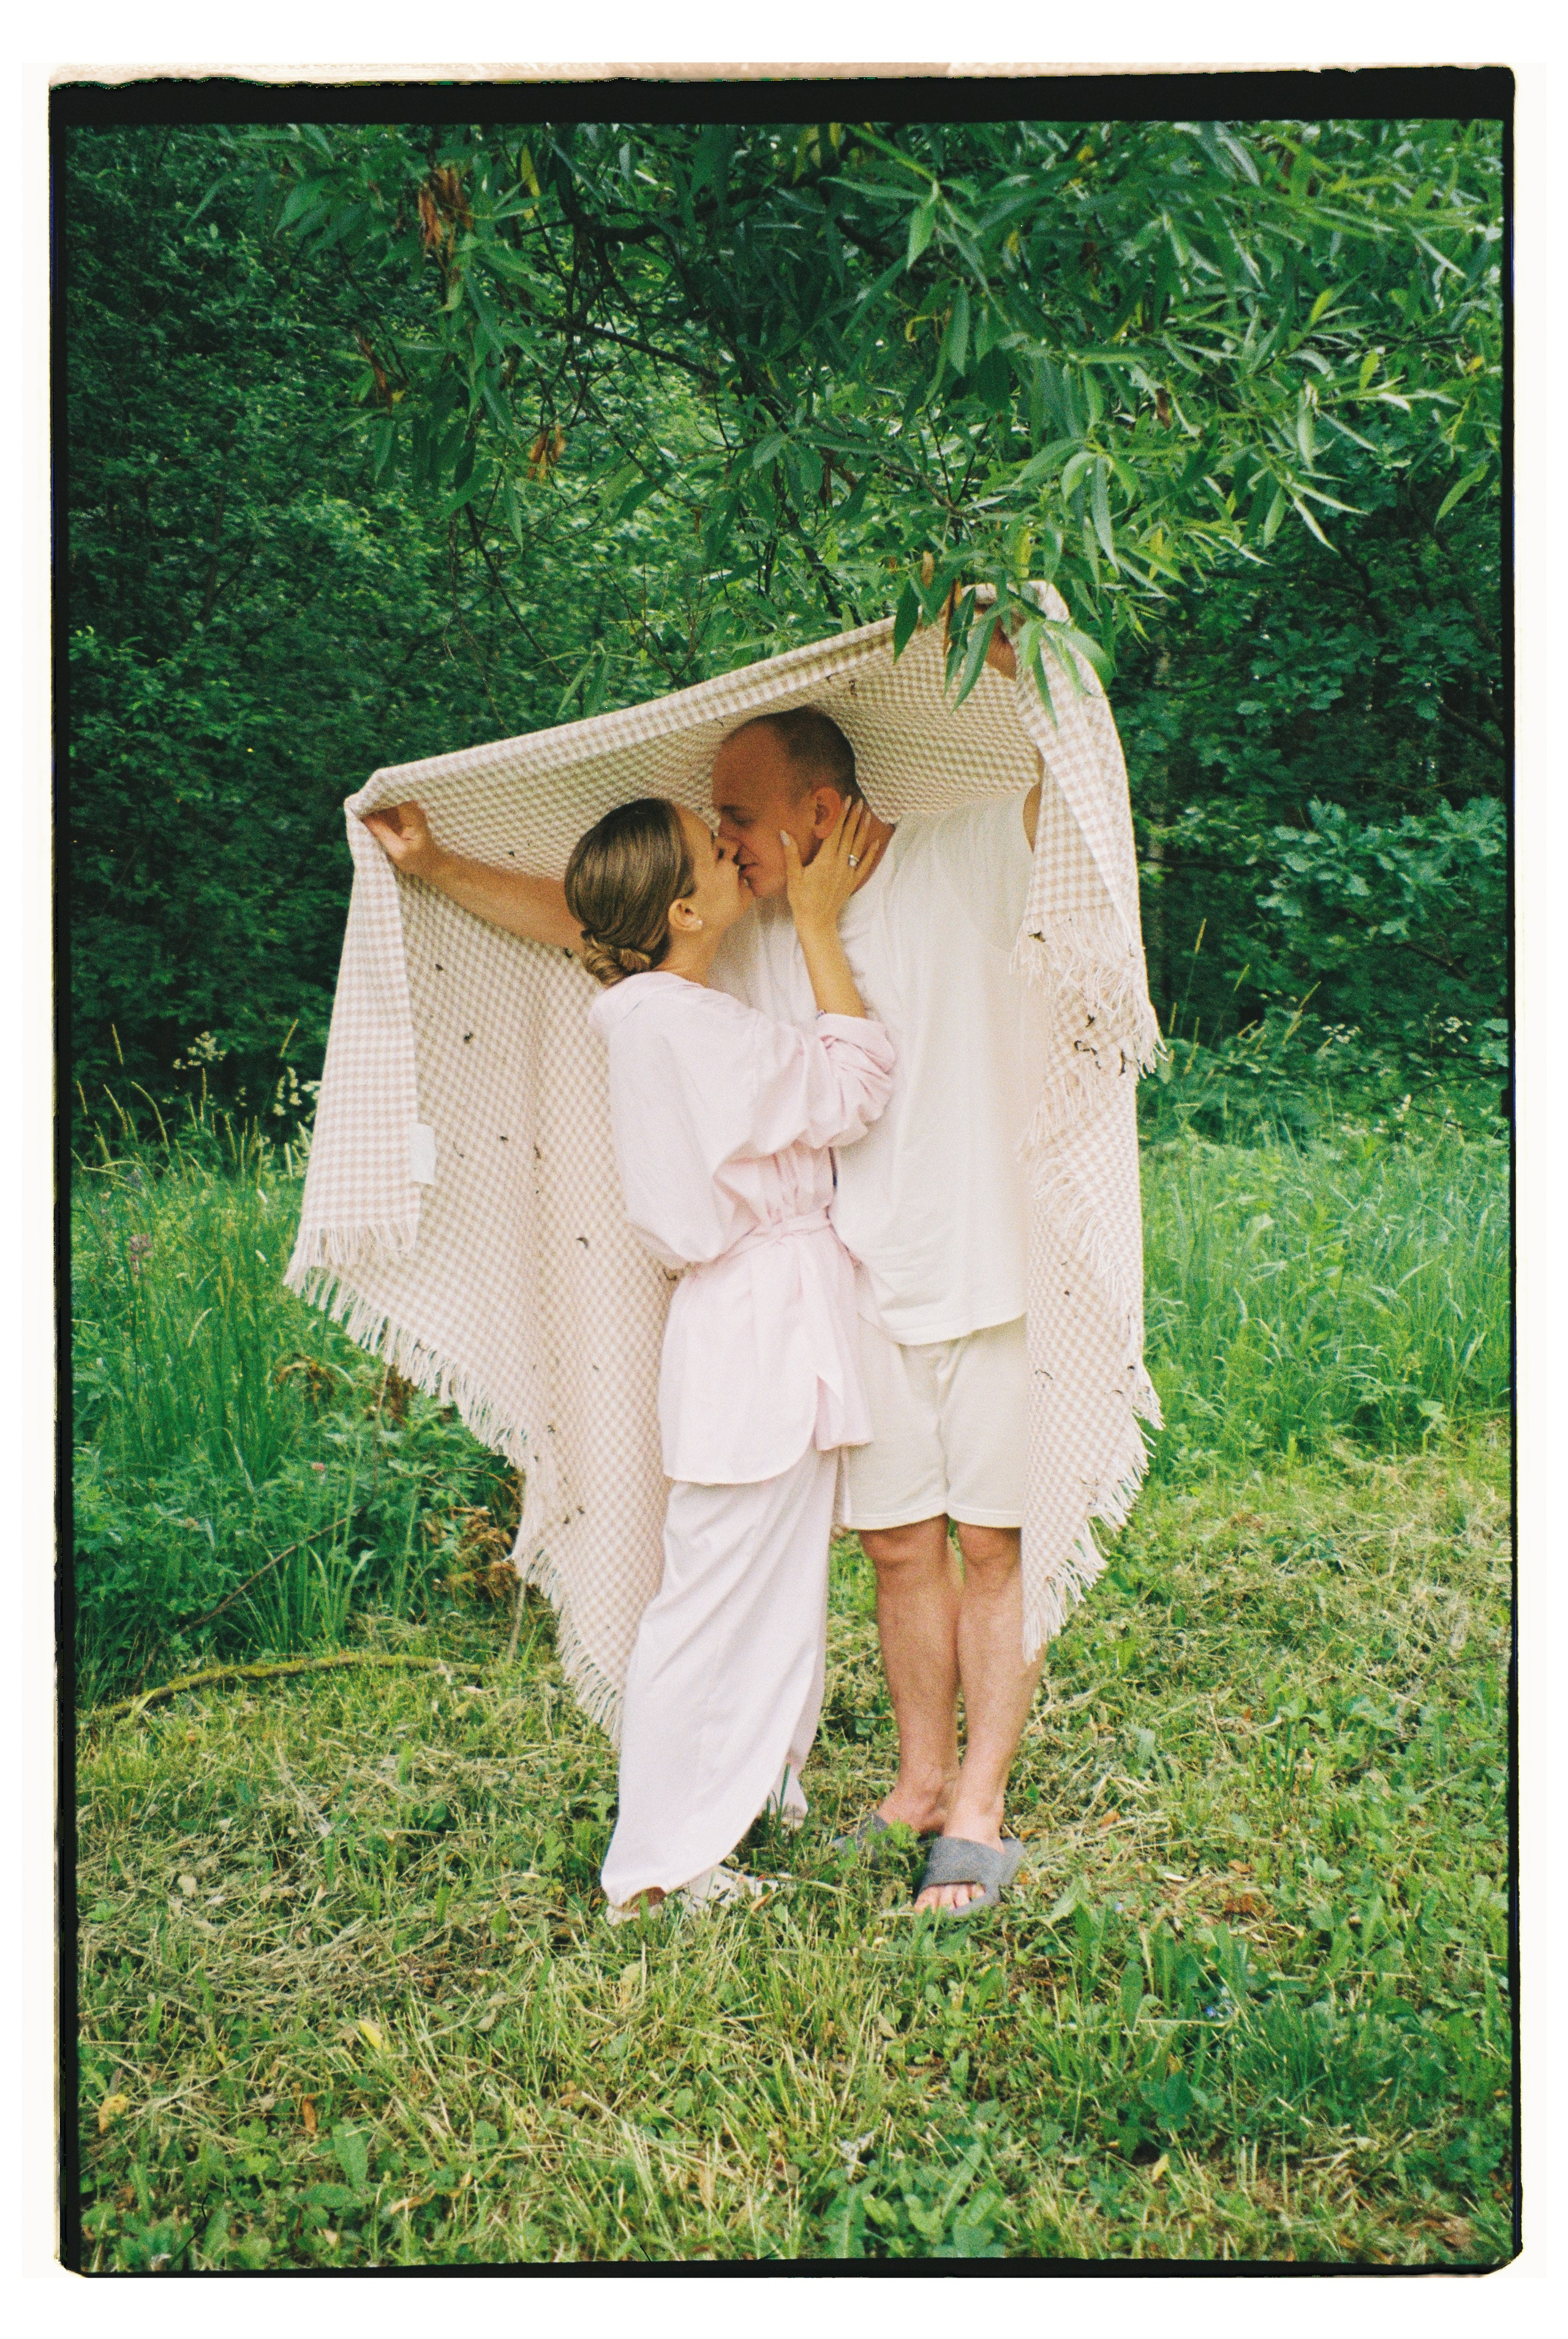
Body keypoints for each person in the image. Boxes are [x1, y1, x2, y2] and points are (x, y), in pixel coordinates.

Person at [362, 621, 1039, 1915]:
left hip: (971, 1266)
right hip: (835, 1301)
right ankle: (907, 1785)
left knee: (989, 1542)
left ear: (820, 811)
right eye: (713, 829)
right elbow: (595, 920)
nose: (721, 841)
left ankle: (977, 1807)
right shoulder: (749, 933)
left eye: (735, 813)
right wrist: (439, 862)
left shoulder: (950, 861)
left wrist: (1029, 670)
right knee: (897, 1547)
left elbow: (1066, 809)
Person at [564, 792, 891, 1919]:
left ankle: (745, 1794)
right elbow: (855, 1087)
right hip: (752, 1319)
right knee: (716, 1597)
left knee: (773, 1586)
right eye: (715, 848)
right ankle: (658, 1864)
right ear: (685, 906)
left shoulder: (658, 1013)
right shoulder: (686, 1027)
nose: (729, 842)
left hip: (758, 1316)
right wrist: (815, 926)